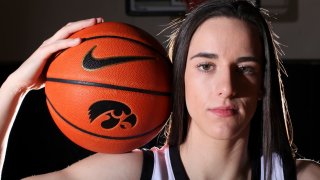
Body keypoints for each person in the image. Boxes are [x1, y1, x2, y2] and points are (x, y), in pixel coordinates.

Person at [0, 0, 319, 179]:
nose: (226, 88)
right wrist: (13, 89)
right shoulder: (129, 173)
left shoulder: (302, 177)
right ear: (178, 76)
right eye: (206, 66)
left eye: (246, 69)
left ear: (263, 85)